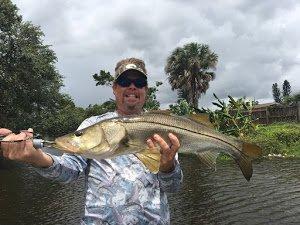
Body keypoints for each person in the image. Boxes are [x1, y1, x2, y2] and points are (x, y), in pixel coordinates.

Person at [0, 58, 183, 225]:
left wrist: (167, 167)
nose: (132, 87)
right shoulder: (92, 124)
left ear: (146, 90)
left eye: (139, 83)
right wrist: (35, 157)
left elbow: (173, 187)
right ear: (114, 88)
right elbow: (68, 171)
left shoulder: (164, 128)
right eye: (125, 82)